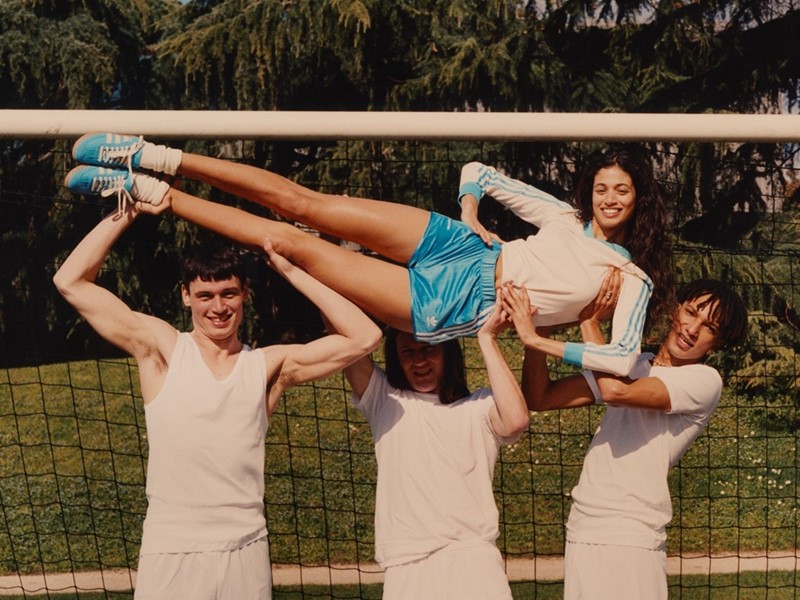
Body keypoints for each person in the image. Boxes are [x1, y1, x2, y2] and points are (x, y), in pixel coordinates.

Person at [63, 133, 673, 376]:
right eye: (603, 187)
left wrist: (538, 341)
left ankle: (151, 194)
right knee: (306, 203)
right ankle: (147, 153)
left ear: (639, 200)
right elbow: (478, 171)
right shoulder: (564, 217)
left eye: (623, 190)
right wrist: (468, 214)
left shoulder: (631, 278)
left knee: (293, 244)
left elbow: (621, 358)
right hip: (462, 246)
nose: (611, 198)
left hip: (462, 301)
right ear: (591, 192)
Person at [53, 191, 382, 599]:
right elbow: (69, 281)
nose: (218, 307)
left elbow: (365, 336)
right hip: (173, 548)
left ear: (245, 293)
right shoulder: (162, 348)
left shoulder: (267, 367)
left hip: (245, 551)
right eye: (205, 296)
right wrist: (132, 206)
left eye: (229, 293)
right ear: (186, 296)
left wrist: (292, 270)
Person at [499, 276, 748, 600]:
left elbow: (615, 391)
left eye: (710, 327)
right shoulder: (634, 364)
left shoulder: (704, 381)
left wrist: (584, 323)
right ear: (677, 310)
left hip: (633, 535)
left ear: (716, 344)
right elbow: (540, 397)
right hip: (584, 527)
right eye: (692, 312)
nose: (692, 329)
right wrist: (543, 323)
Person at [334, 301, 530, 599]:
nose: (419, 361)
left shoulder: (479, 407)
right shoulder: (386, 401)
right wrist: (306, 264)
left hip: (474, 563)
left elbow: (516, 421)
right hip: (408, 565)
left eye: (428, 348)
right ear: (397, 359)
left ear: (448, 352)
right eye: (407, 352)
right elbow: (342, 328)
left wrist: (486, 339)